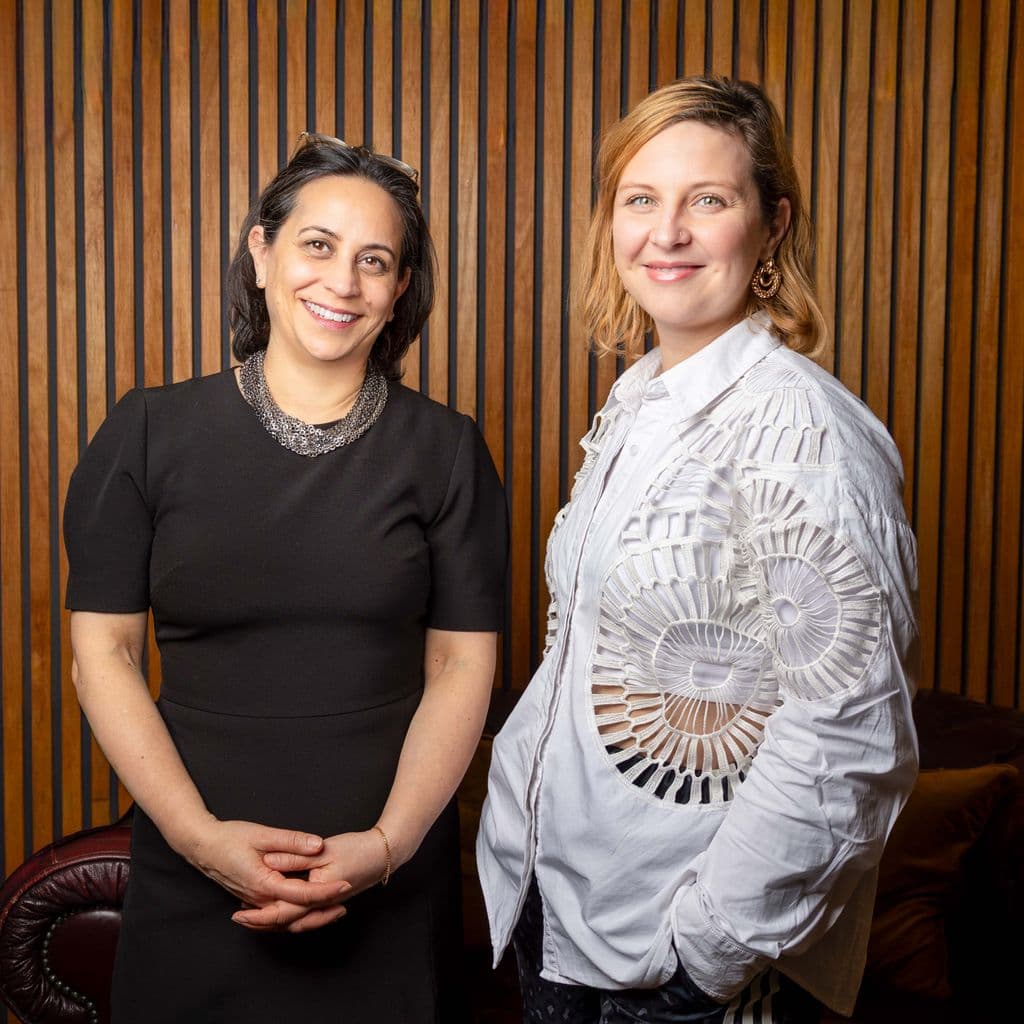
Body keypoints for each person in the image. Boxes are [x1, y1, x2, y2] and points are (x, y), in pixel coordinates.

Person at [477, 77, 918, 1024]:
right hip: (562, 914)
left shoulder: (802, 432)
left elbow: (849, 733)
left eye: (707, 201)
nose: (665, 233)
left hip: (675, 961)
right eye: (641, 199)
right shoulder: (640, 401)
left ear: (770, 227)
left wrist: (709, 950)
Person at [64, 132, 508, 1023]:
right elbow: (101, 657)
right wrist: (199, 841)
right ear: (261, 253)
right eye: (318, 245)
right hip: (192, 877)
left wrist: (384, 849)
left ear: (400, 291)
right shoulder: (147, 433)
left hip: (386, 884)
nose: (342, 283)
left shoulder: (449, 452)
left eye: (374, 261)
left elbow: (463, 669)